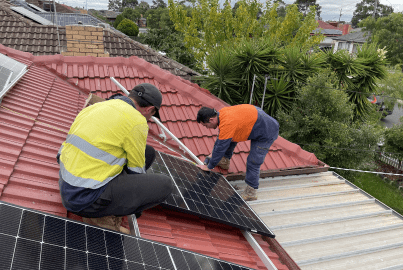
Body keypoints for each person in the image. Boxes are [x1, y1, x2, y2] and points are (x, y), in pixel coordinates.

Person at [57, 83, 173, 233]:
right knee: (165, 184)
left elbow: (61, 154)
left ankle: (103, 204)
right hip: (86, 199)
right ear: (150, 109)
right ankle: (102, 216)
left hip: (67, 185)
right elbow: (136, 171)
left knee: (148, 152)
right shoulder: (137, 121)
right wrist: (135, 203)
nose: (149, 118)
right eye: (152, 115)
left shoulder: (97, 106)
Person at [196, 104, 279, 201]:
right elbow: (220, 140)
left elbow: (220, 147)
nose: (207, 128)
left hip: (267, 130)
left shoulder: (227, 123)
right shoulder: (221, 114)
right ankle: (224, 161)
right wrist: (212, 156)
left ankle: (251, 192)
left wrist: (209, 166)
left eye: (206, 126)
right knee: (228, 138)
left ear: (211, 120)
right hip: (255, 120)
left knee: (253, 161)